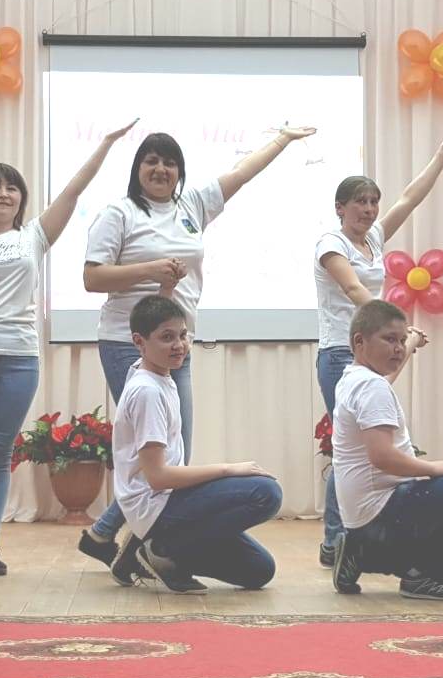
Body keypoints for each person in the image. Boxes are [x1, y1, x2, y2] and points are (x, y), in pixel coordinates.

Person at [78, 126, 314, 571]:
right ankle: (133, 541)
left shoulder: (192, 205)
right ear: (137, 168)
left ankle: (108, 534)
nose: (160, 169)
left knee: (177, 450)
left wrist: (282, 140)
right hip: (129, 341)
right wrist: (150, 270)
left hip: (176, 341)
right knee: (156, 452)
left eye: (169, 163)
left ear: (180, 171)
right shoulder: (119, 213)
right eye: (151, 161)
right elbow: (92, 278)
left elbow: (241, 173)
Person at [0, 120, 137, 576]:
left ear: (22, 198)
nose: (3, 194)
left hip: (18, 360)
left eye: (12, 187)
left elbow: (72, 192)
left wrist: (105, 143)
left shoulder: (33, 236)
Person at [315, 135, 443, 567]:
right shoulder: (331, 243)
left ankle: (341, 540)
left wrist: (440, 158)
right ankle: (337, 540)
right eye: (360, 202)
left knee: (360, 444)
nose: (369, 210)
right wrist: (394, 330)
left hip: (370, 346)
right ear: (340, 208)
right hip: (340, 352)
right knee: (348, 447)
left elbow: (409, 199)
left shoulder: (375, 238)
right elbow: (353, 289)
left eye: (372, 202)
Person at [329, 300, 443, 601]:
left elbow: (385, 381)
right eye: (389, 340)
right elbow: (382, 457)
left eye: (401, 341)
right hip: (382, 514)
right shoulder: (371, 387)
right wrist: (434, 468)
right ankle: (418, 577)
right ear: (359, 341)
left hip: (364, 522)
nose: (398, 349)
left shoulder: (354, 379)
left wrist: (410, 344)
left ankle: (361, 553)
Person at [109, 295, 282, 593]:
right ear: (139, 342)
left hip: (164, 503)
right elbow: (158, 477)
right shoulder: (148, 391)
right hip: (154, 506)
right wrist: (228, 469)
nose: (179, 345)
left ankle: (140, 553)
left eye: (182, 335)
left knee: (259, 570)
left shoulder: (155, 374)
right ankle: (160, 549)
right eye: (167, 337)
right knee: (266, 493)